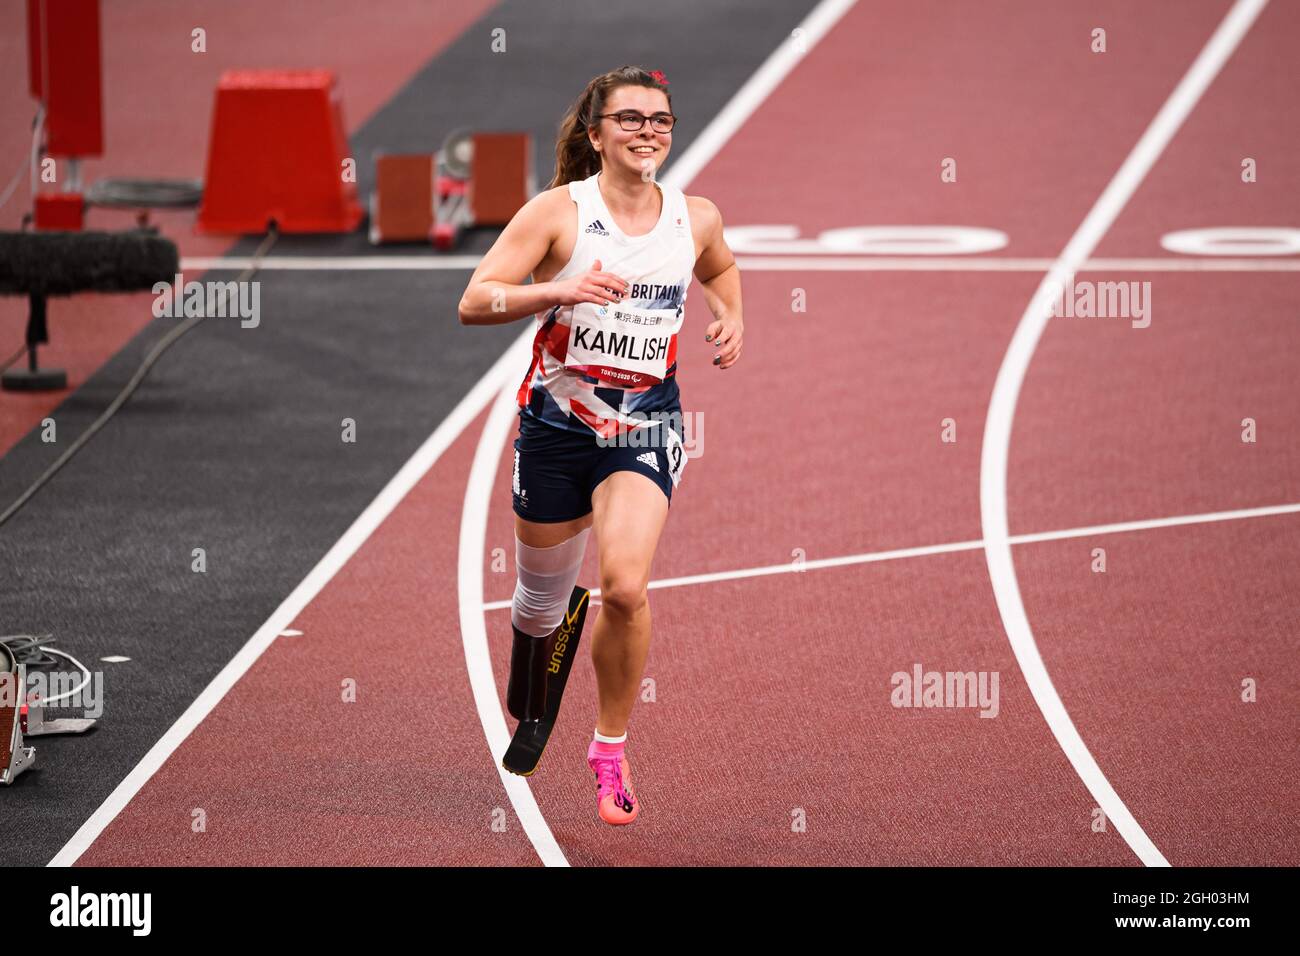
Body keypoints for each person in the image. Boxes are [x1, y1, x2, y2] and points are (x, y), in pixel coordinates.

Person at [459, 65, 743, 825]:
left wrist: (731, 315)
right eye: (630, 119)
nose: (648, 130)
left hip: (644, 428)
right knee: (537, 604)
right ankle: (534, 686)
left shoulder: (696, 217)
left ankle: (609, 748)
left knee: (624, 586)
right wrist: (555, 290)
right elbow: (475, 300)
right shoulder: (558, 214)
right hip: (555, 431)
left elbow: (720, 267)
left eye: (660, 120)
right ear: (596, 135)